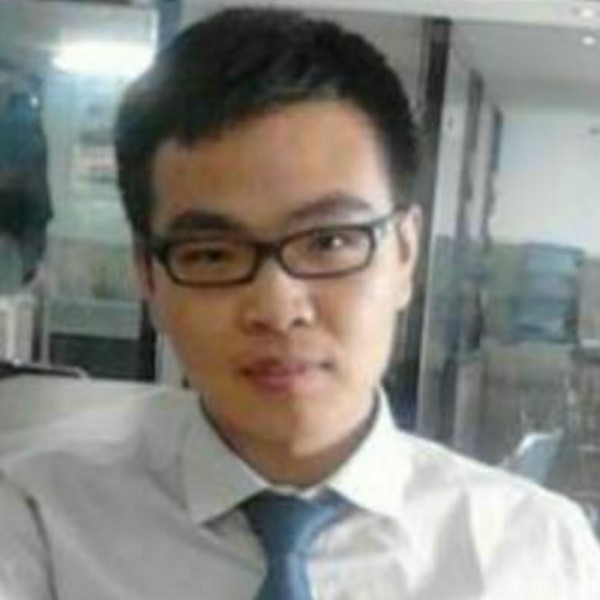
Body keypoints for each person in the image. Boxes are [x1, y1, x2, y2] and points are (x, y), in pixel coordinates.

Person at [0, 7, 599, 599]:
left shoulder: (538, 554)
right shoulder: (37, 524)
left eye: (330, 241)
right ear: (148, 278)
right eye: (212, 254)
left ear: (404, 255)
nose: (277, 308)